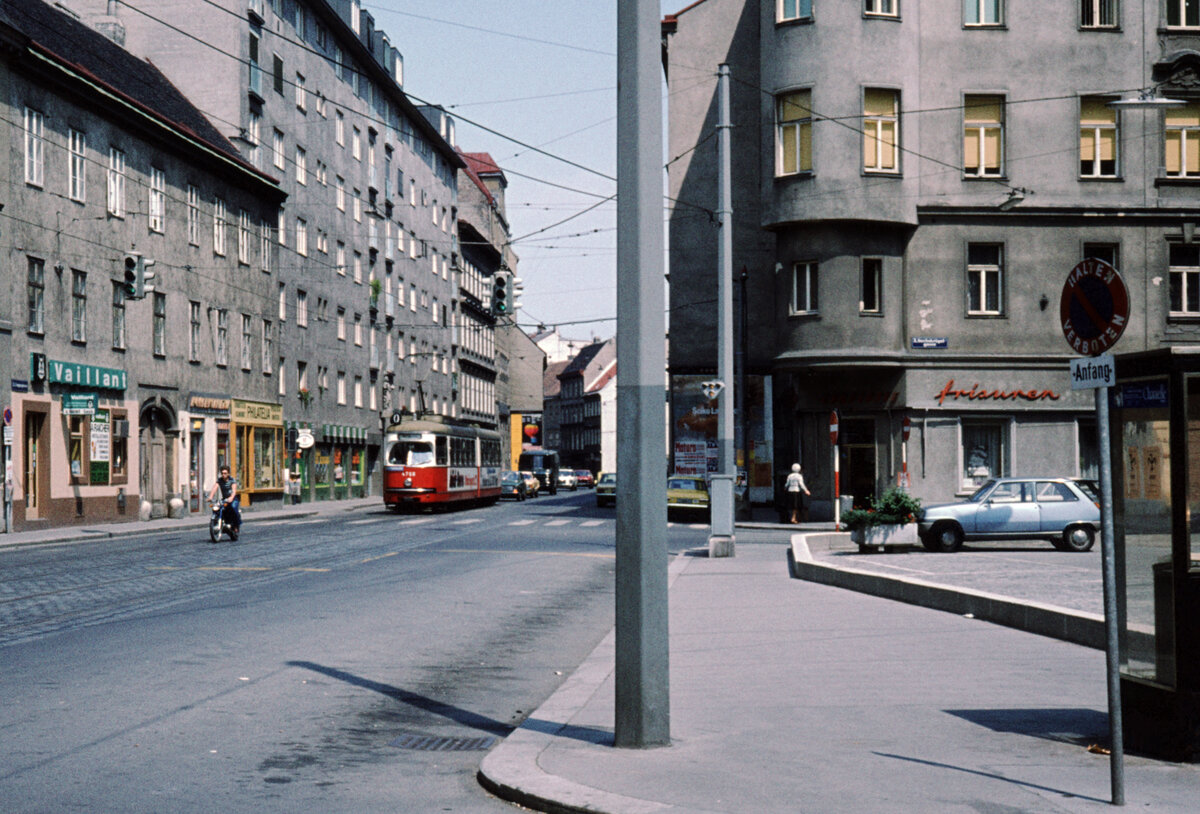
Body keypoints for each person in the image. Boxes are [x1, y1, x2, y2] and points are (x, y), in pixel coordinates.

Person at [209, 465, 241, 534]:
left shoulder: (232, 480)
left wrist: (231, 498)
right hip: (224, 499)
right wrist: (210, 497)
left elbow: (234, 490)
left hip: (233, 499)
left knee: (233, 507)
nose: (223, 475)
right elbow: (215, 488)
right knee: (218, 508)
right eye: (222, 473)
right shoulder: (219, 480)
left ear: (228, 473)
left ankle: (236, 525)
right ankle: (219, 521)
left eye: (225, 473)